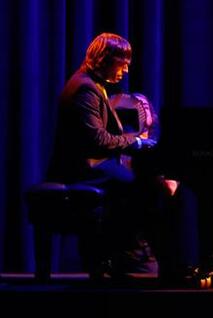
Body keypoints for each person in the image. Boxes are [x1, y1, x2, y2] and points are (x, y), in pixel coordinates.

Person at [47, 33, 196, 281]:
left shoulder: (91, 84)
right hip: (81, 170)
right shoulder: (85, 88)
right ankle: (140, 259)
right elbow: (98, 140)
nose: (126, 70)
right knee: (145, 187)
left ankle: (134, 257)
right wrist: (136, 141)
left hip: (91, 166)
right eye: (123, 63)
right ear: (106, 59)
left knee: (143, 184)